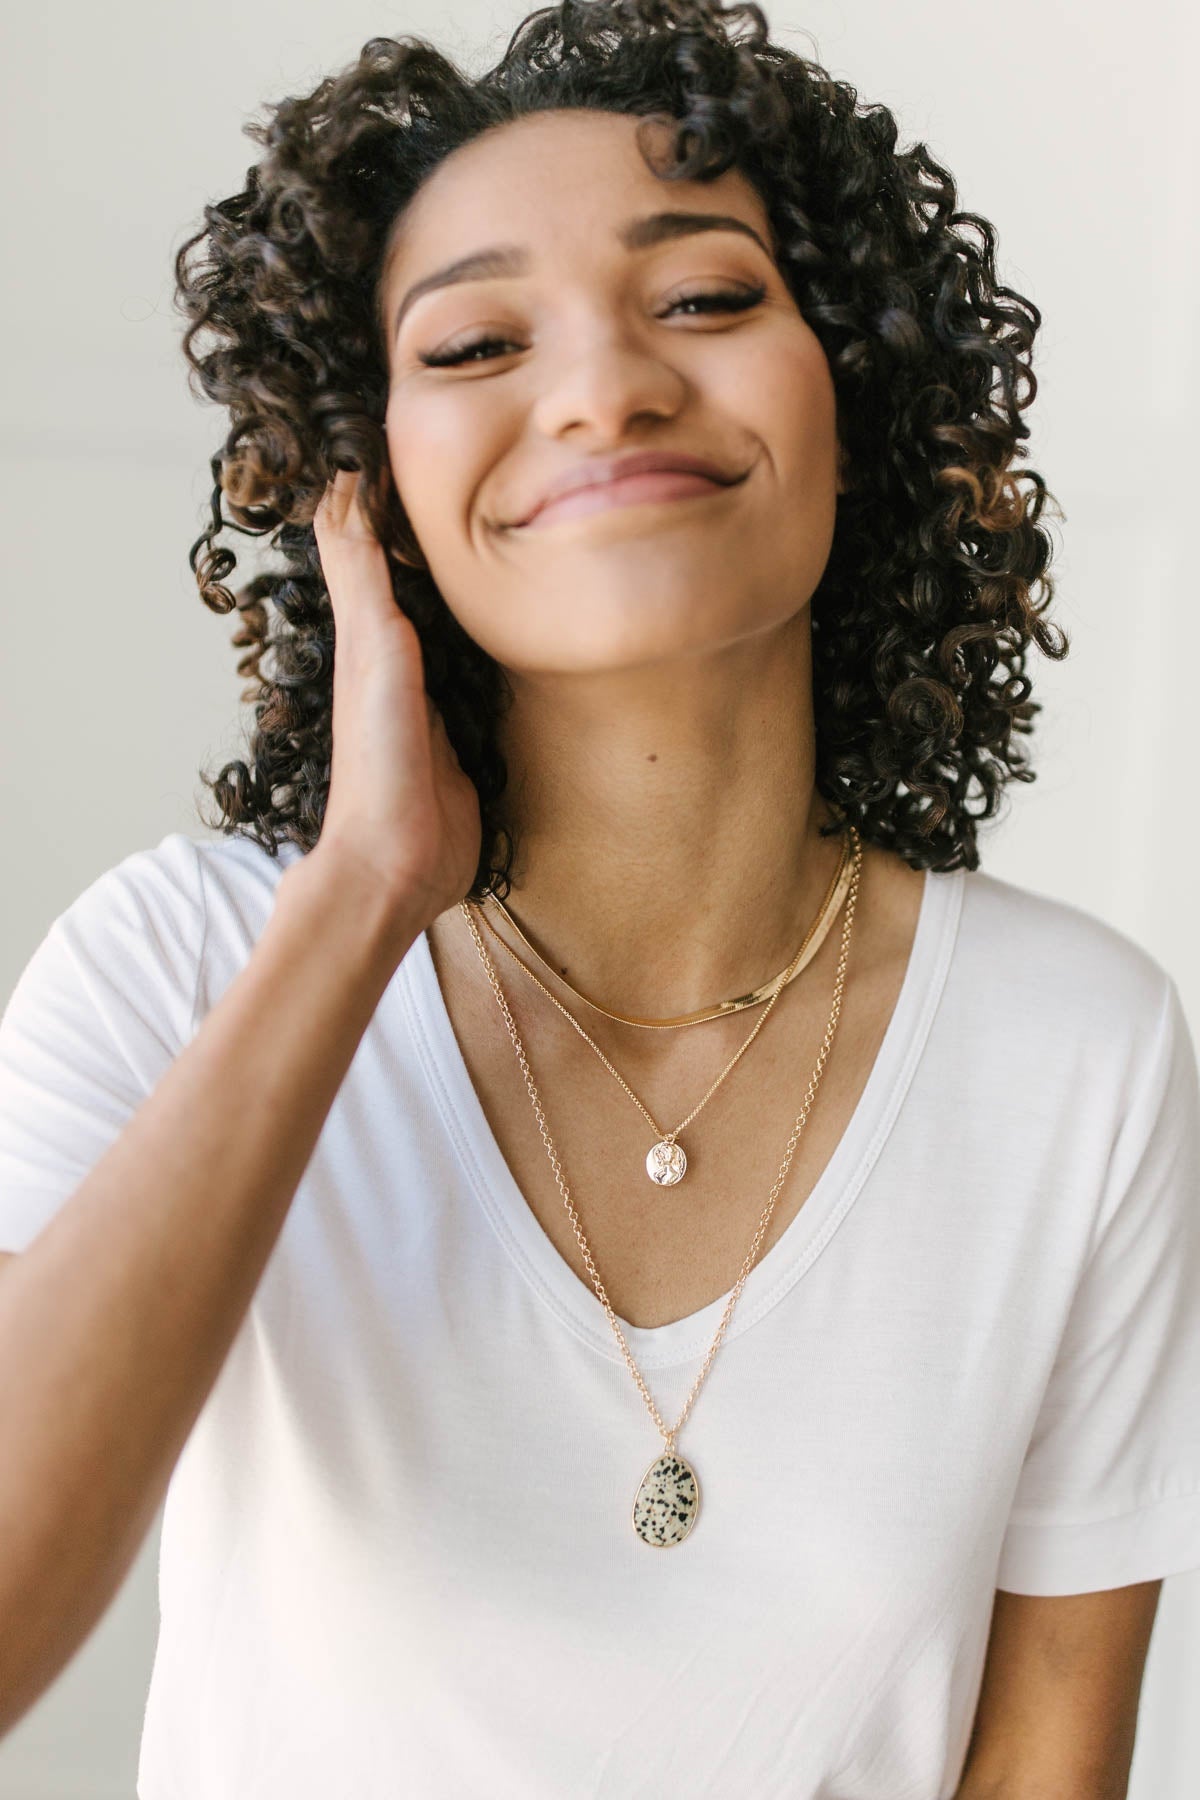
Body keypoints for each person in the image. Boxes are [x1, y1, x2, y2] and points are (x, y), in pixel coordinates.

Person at [0, 3, 1197, 1795]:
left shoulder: (1075, 1049)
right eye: (479, 339)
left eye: (707, 299)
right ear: (371, 489)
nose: (604, 387)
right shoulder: (184, 965)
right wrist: (358, 903)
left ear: (854, 399)